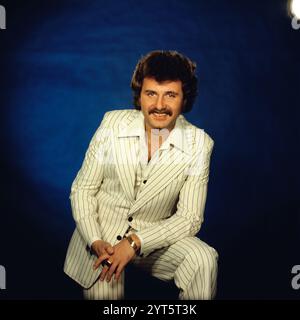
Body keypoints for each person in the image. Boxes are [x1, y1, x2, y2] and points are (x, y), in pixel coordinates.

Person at [64, 50, 218, 300]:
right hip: (102, 236)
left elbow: (190, 217)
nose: (159, 105)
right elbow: (83, 190)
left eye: (170, 95)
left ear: (184, 98)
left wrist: (136, 241)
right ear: (140, 95)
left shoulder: (200, 144)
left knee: (203, 259)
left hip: (153, 239)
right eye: (151, 94)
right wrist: (94, 239)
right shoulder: (112, 125)